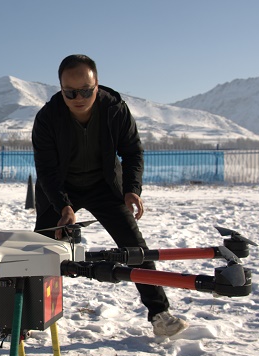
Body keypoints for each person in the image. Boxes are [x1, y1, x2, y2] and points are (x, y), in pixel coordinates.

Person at [31, 54, 188, 338]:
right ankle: (29, 316)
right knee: (41, 249)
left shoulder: (115, 110)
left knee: (135, 247)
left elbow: (132, 152)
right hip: (61, 189)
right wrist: (63, 205)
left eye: (86, 91)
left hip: (105, 186)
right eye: (70, 92)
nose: (79, 97)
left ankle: (159, 313)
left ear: (98, 85)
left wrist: (132, 190)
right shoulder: (47, 117)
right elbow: (46, 170)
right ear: (61, 89)